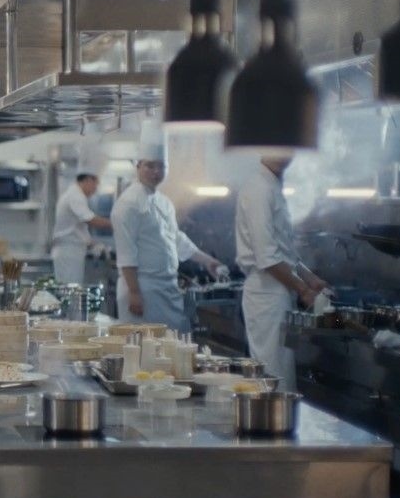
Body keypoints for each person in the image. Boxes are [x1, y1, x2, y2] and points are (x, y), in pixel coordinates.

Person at [111, 122, 227, 333]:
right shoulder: (128, 203)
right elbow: (126, 252)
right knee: (143, 347)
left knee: (169, 345)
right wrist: (134, 292)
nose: (156, 172)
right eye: (150, 166)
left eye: (161, 166)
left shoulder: (164, 202)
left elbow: (176, 239)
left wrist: (208, 261)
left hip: (167, 290)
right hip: (143, 290)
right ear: (138, 166)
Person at [235, 155, 327, 390]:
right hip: (266, 294)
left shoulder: (273, 185)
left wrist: (309, 278)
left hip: (280, 292)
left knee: (283, 369)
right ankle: (271, 413)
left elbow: (283, 251)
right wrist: (303, 290)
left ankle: (280, 411)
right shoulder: (259, 188)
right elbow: (267, 257)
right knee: (273, 374)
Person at [51, 172, 112, 284]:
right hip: (69, 251)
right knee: (70, 288)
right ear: (88, 180)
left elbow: (79, 229)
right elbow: (90, 219)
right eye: (95, 185)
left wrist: (93, 243)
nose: (95, 190)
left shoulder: (76, 195)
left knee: (71, 287)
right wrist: (116, 224)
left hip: (72, 251)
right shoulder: (75, 195)